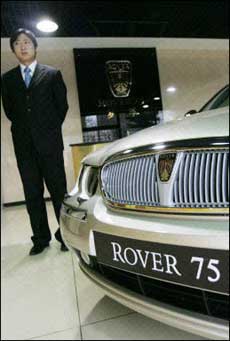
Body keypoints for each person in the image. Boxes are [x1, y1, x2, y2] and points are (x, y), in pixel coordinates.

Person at [1, 28, 69, 255]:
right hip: (24, 148)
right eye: (18, 42)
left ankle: (65, 235)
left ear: (35, 46)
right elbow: (10, 111)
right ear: (13, 49)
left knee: (59, 191)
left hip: (50, 145)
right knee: (32, 193)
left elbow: (62, 108)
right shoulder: (7, 79)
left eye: (27, 42)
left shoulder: (52, 74)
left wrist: (46, 130)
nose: (23, 45)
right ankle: (40, 238)